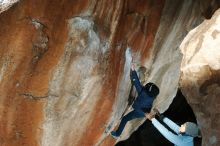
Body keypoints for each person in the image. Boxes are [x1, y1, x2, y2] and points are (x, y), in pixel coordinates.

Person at [111, 64, 159, 138]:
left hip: (139, 111)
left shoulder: (143, 93)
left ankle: (117, 134)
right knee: (125, 119)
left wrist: (133, 70)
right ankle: (117, 134)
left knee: (125, 119)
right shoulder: (152, 96)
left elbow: (136, 83)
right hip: (143, 112)